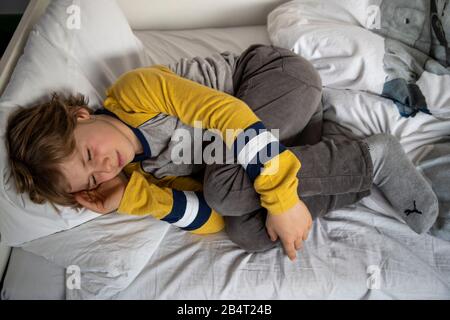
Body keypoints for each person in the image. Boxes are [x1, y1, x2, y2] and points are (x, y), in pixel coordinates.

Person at [5, 45, 439, 261]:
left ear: (81, 116)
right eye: (93, 181)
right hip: (286, 140)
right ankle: (343, 164)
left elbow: (225, 112)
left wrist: (283, 201)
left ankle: (374, 158)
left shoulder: (134, 93)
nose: (102, 168)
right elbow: (210, 217)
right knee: (246, 233)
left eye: (87, 156)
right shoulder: (143, 176)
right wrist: (133, 198)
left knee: (226, 188)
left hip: (280, 81)